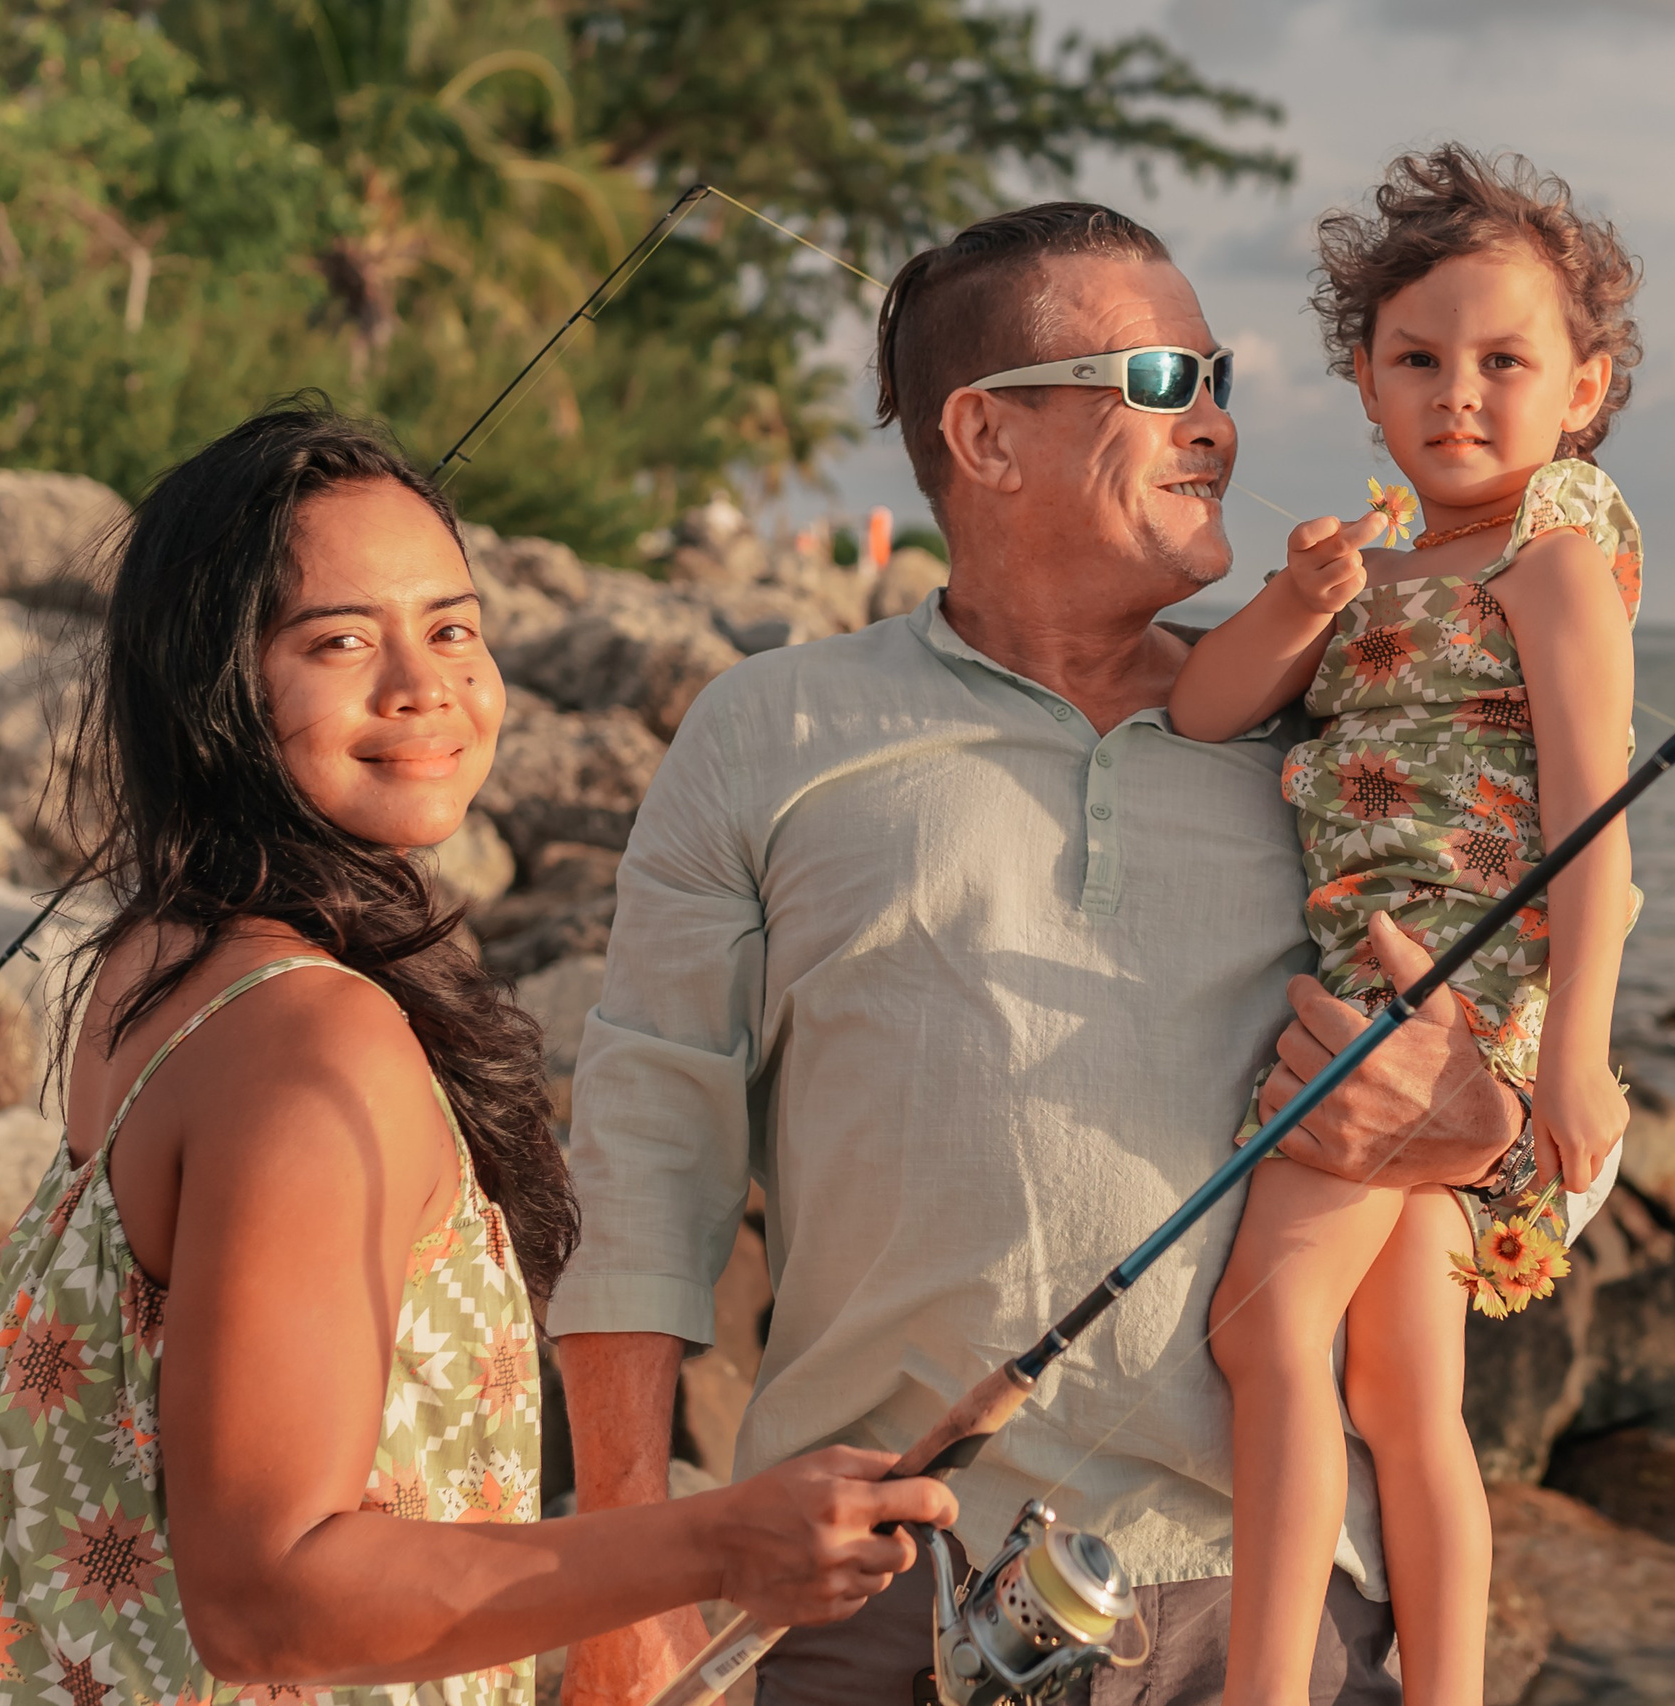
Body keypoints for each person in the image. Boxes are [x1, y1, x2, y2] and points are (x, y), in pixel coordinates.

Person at [548, 202, 1619, 1706]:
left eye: (1223, 378)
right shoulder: (768, 727)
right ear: (985, 439)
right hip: (867, 1597)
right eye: (1168, 381)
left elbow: (1563, 1065)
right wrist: (625, 1570)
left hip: (1285, 1628)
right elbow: (648, 1150)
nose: (1223, 429)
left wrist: (1489, 1129)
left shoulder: (1335, 733)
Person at [0, 403, 953, 1706]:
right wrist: (713, 1539)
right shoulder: (309, 1038)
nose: (427, 686)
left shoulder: (160, 961)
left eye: (454, 625)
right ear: (215, 683)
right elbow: (267, 1593)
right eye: (341, 639)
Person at [1168, 147, 1645, 1704]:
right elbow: (1202, 705)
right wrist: (1303, 599)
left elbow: (1594, 827)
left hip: (1452, 1008)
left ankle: (1260, 1687)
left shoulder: (1551, 562)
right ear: (1365, 385)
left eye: (1506, 361)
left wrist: (1574, 1060)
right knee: (1401, 1382)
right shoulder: (1378, 572)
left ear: (1584, 386)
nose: (1459, 394)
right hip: (1387, 995)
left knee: (1265, 1329)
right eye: (1417, 360)